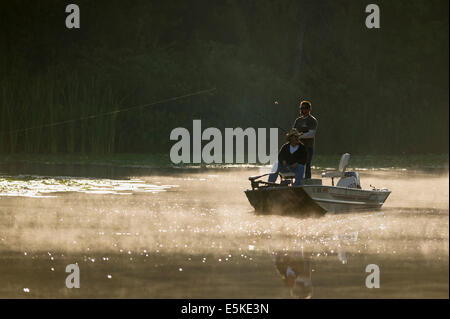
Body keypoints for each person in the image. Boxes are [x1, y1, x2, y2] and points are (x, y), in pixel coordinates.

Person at [293, 100, 318, 179]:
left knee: (307, 164)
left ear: (309, 109)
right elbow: (294, 131)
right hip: (297, 147)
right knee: (296, 164)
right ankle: (297, 180)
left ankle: (307, 181)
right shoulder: (298, 120)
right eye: (301, 108)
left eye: (304, 108)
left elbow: (311, 134)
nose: (302, 110)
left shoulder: (312, 120)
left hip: (308, 147)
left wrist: (299, 136)